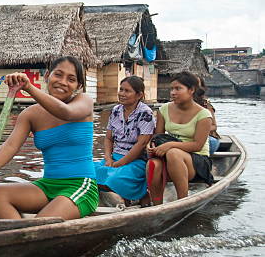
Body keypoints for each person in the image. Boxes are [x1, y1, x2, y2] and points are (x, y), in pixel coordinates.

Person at [0, 56, 98, 221]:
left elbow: (66, 112)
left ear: (78, 86)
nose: (63, 82)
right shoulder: (30, 114)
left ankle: (23, 237)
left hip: (80, 186)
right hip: (47, 186)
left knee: (40, 223)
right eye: (58, 75)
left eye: (71, 79)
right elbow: (10, 146)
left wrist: (28, 87)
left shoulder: (84, 101)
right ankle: (19, 236)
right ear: (47, 76)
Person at [147, 71, 214, 205]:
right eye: (172, 89)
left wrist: (169, 145)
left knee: (173, 153)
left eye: (178, 88)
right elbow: (158, 136)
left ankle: (182, 202)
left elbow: (198, 146)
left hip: (197, 160)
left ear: (191, 90)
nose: (173, 92)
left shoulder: (204, 115)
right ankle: (156, 205)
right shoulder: (164, 109)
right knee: (152, 164)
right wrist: (150, 146)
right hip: (171, 157)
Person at [94, 76, 155, 205]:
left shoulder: (145, 113)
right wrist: (109, 158)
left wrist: (120, 163)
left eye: (127, 91)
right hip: (115, 157)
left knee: (114, 179)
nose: (122, 94)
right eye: (121, 89)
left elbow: (141, 144)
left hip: (136, 161)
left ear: (139, 95)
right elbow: (108, 138)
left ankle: (141, 194)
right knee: (88, 171)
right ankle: (125, 198)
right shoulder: (116, 111)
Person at [194, 76, 221, 155]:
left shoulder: (206, 105)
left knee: (211, 142)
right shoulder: (177, 104)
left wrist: (198, 131)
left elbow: (214, 126)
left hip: (207, 137)